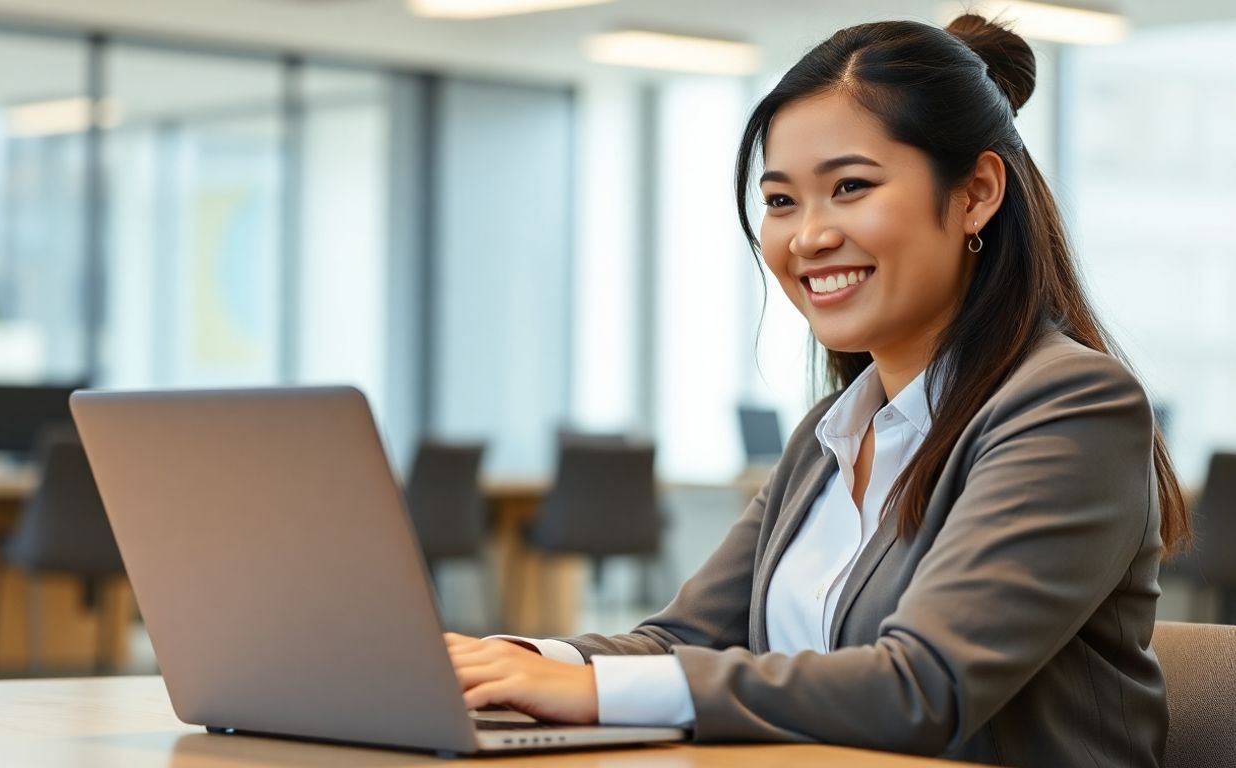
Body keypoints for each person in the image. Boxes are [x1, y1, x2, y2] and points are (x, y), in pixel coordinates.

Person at [445, 13, 1189, 767]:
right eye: (780, 201)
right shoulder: (832, 432)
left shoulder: (1070, 407)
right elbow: (685, 640)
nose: (807, 237)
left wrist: (600, 693)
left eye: (851, 187)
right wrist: (512, 661)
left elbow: (925, 687)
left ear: (976, 194)